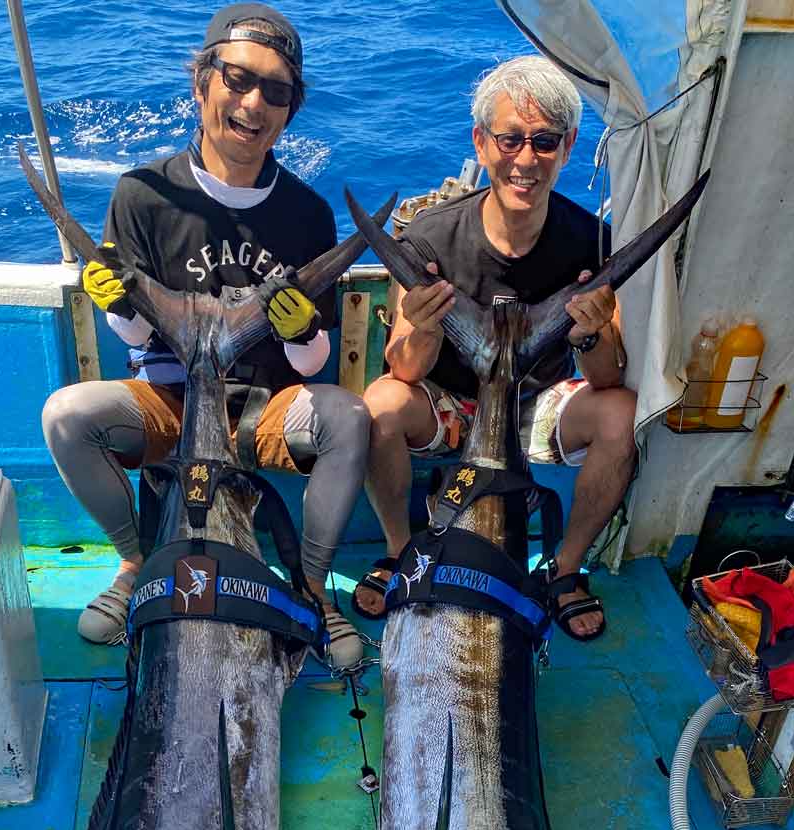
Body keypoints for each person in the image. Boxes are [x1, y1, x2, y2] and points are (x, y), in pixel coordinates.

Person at [42, 3, 365, 667]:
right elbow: (135, 335)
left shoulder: (306, 212)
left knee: (351, 418)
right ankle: (137, 564)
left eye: (276, 92)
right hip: (171, 400)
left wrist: (302, 327)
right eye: (237, 80)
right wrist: (116, 302)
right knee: (67, 416)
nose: (253, 104)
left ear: (290, 110)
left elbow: (313, 360)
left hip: (263, 409)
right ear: (202, 83)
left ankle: (310, 587)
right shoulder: (141, 194)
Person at [355, 54, 638, 640]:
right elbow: (404, 368)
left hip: (536, 406)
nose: (525, 160)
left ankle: (564, 568)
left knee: (620, 414)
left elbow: (607, 378)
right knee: (380, 404)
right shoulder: (430, 236)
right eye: (510, 139)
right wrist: (425, 325)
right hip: (451, 403)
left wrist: (588, 330)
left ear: (567, 148)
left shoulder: (594, 241)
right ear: (482, 143)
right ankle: (401, 551)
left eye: (544, 141)